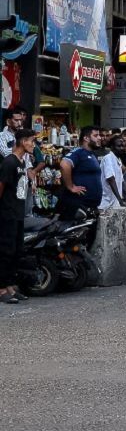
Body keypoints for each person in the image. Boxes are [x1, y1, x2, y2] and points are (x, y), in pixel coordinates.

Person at [0, 128, 35, 303]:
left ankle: (10, 286)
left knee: (16, 251)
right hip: (7, 213)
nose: (33, 145)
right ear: (23, 141)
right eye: (31, 141)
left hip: (19, 212)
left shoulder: (22, 162)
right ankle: (1, 289)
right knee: (5, 251)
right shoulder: (9, 162)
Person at [58, 125, 104, 218]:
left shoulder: (92, 154)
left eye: (99, 135)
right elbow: (64, 164)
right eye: (96, 135)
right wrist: (71, 186)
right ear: (86, 138)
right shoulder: (79, 152)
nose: (99, 138)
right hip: (78, 206)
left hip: (90, 207)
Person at [97, 134, 126, 211]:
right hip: (106, 205)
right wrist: (121, 201)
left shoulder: (118, 160)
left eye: (122, 146)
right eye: (119, 146)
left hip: (115, 204)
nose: (122, 148)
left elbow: (122, 183)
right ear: (112, 147)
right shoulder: (108, 158)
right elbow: (111, 179)